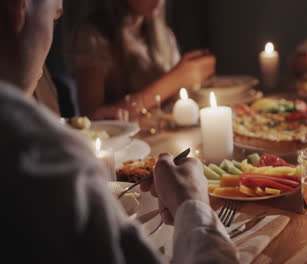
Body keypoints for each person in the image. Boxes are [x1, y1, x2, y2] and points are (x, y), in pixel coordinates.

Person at [0, 0, 238, 263]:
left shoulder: (162, 35)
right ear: (17, 8)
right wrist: (193, 206)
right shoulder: (41, 164)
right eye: (55, 15)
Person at [67, 0, 215, 120]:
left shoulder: (165, 36)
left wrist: (191, 75)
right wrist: (176, 79)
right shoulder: (93, 36)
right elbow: (91, 118)